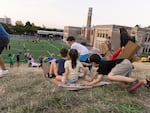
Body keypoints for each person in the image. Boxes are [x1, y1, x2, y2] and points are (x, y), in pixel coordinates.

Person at [82, 54, 150, 93]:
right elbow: (96, 73)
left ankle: (134, 81)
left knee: (110, 76)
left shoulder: (102, 64)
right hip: (126, 63)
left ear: (93, 62)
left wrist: (89, 84)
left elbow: (99, 79)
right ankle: (145, 82)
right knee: (124, 85)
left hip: (123, 64)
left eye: (91, 63)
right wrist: (90, 80)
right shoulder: (102, 64)